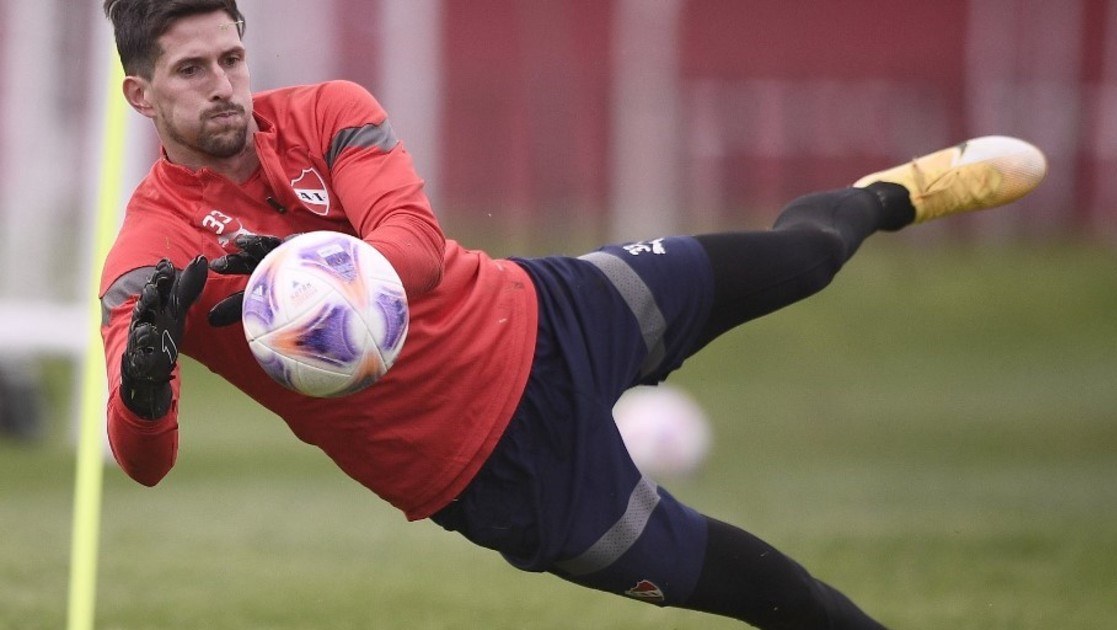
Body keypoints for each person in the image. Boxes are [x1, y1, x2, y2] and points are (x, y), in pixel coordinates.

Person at [99, 1, 1047, 628]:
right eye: (192, 70)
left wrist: (318, 267)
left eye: (232, 57)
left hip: (554, 310)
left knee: (803, 258)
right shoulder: (149, 259)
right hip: (504, 477)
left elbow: (416, 246)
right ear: (141, 95)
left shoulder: (325, 111)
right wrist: (143, 386)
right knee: (776, 595)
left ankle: (894, 194)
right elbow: (143, 461)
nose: (223, 85)